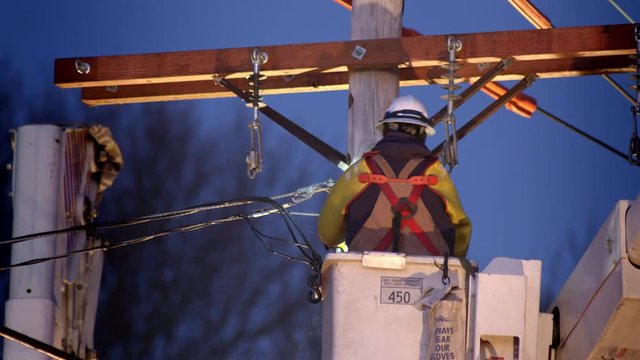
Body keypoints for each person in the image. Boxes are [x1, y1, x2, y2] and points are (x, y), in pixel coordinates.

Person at [318, 95, 471, 257]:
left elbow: (328, 232)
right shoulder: (437, 174)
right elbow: (462, 228)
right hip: (432, 275)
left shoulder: (360, 170)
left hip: (363, 274)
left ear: (386, 129)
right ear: (422, 133)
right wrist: (455, 260)